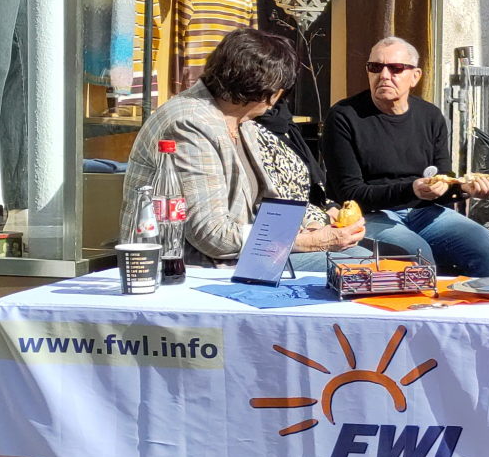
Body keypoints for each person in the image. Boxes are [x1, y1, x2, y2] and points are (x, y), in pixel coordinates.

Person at [122, 28, 366, 273]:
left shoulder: (240, 120)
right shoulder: (190, 123)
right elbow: (211, 235)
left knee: (363, 259)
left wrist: (312, 225)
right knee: (359, 267)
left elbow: (269, 202)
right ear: (267, 90)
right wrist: (305, 241)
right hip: (196, 268)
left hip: (244, 255)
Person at [325, 37, 489, 277]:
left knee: (485, 246)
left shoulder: (430, 117)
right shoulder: (344, 116)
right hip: (371, 214)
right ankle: (427, 303)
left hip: (424, 211)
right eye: (375, 67)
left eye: (396, 68)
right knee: (415, 253)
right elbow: (349, 193)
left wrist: (464, 189)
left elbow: (443, 178)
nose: (384, 75)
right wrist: (412, 190)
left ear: (415, 76)